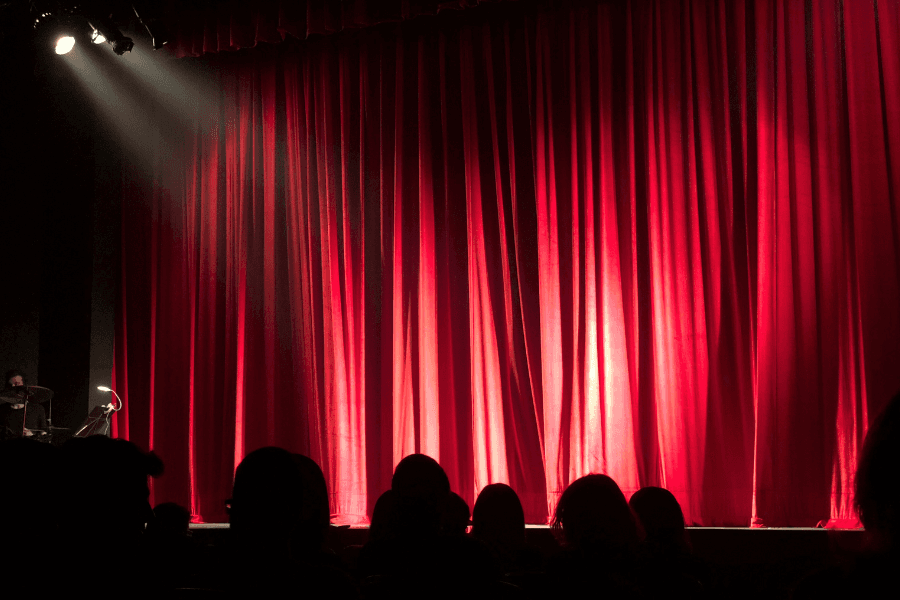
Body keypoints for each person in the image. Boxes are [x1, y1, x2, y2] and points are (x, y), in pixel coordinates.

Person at [0, 368, 47, 439]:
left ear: (25, 387)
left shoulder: (38, 409)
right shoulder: (1, 409)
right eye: (10, 385)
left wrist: (32, 435)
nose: (13, 387)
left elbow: (44, 436)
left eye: (17, 384)